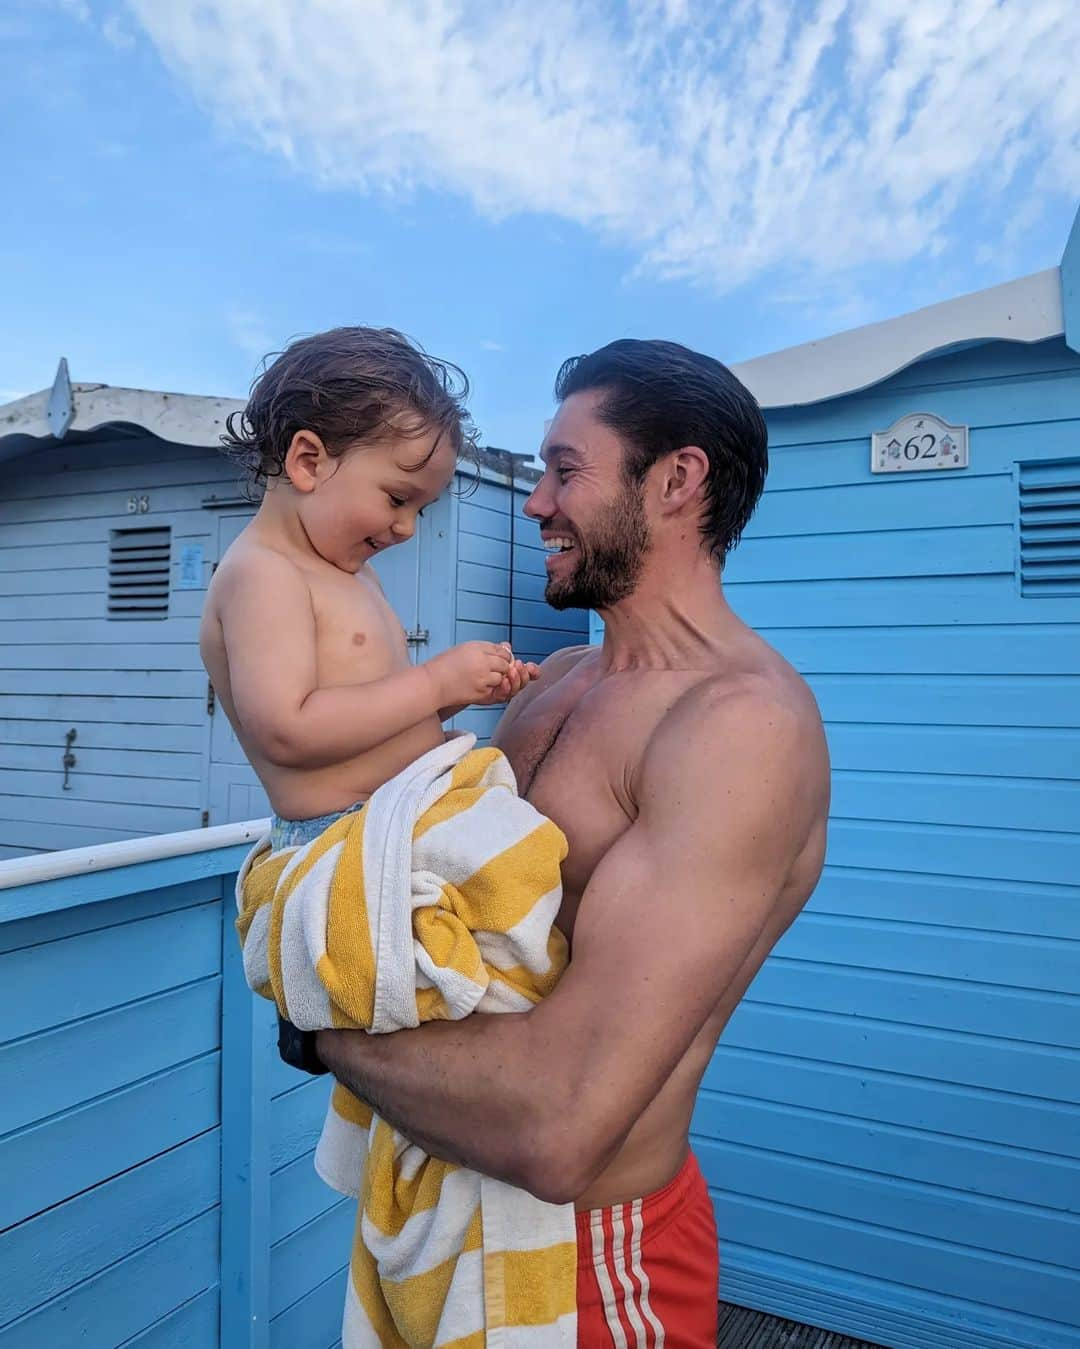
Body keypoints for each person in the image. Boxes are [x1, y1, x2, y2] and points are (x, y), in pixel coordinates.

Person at [313, 338, 831, 1347]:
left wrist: (313, 1023)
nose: (535, 501)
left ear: (676, 480)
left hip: (590, 1258)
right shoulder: (552, 687)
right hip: (437, 1212)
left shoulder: (739, 729)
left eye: (564, 468)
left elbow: (561, 1124)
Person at [199, 326, 538, 845]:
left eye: (420, 510)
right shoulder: (264, 575)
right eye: (398, 499)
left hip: (393, 821)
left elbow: (372, 716)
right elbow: (288, 732)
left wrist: (463, 690)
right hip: (338, 840)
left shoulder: (353, 575)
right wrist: (435, 683)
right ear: (308, 462)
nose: (406, 528)